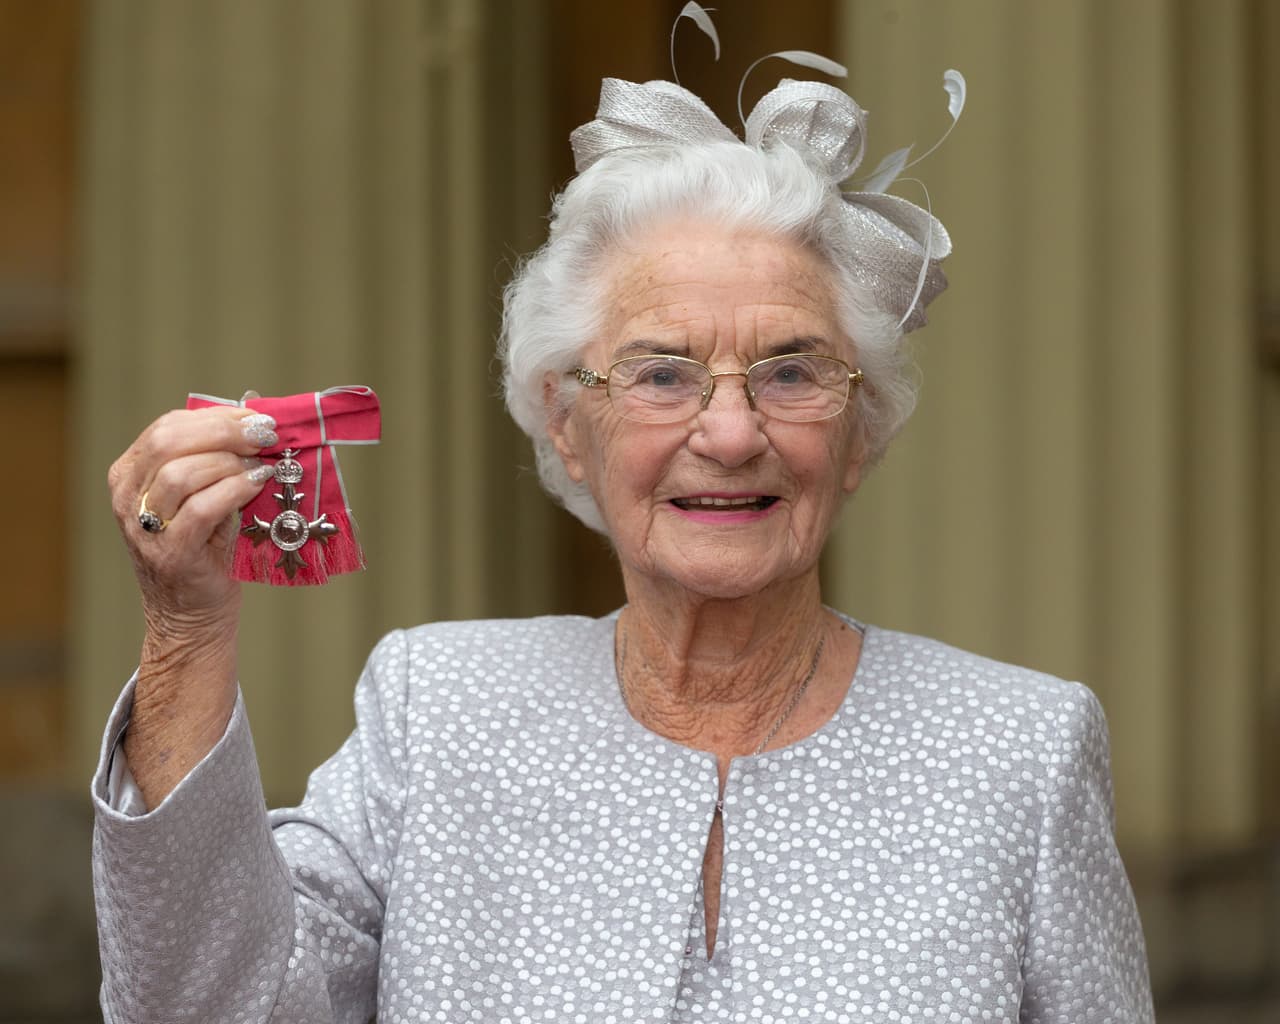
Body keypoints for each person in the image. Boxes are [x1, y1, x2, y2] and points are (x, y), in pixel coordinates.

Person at [92, 59, 1155, 1024]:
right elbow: (204, 1006)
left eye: (791, 372)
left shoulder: (1022, 750)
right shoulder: (436, 710)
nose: (732, 433)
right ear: (566, 422)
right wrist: (186, 628)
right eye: (660, 373)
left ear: (858, 431)